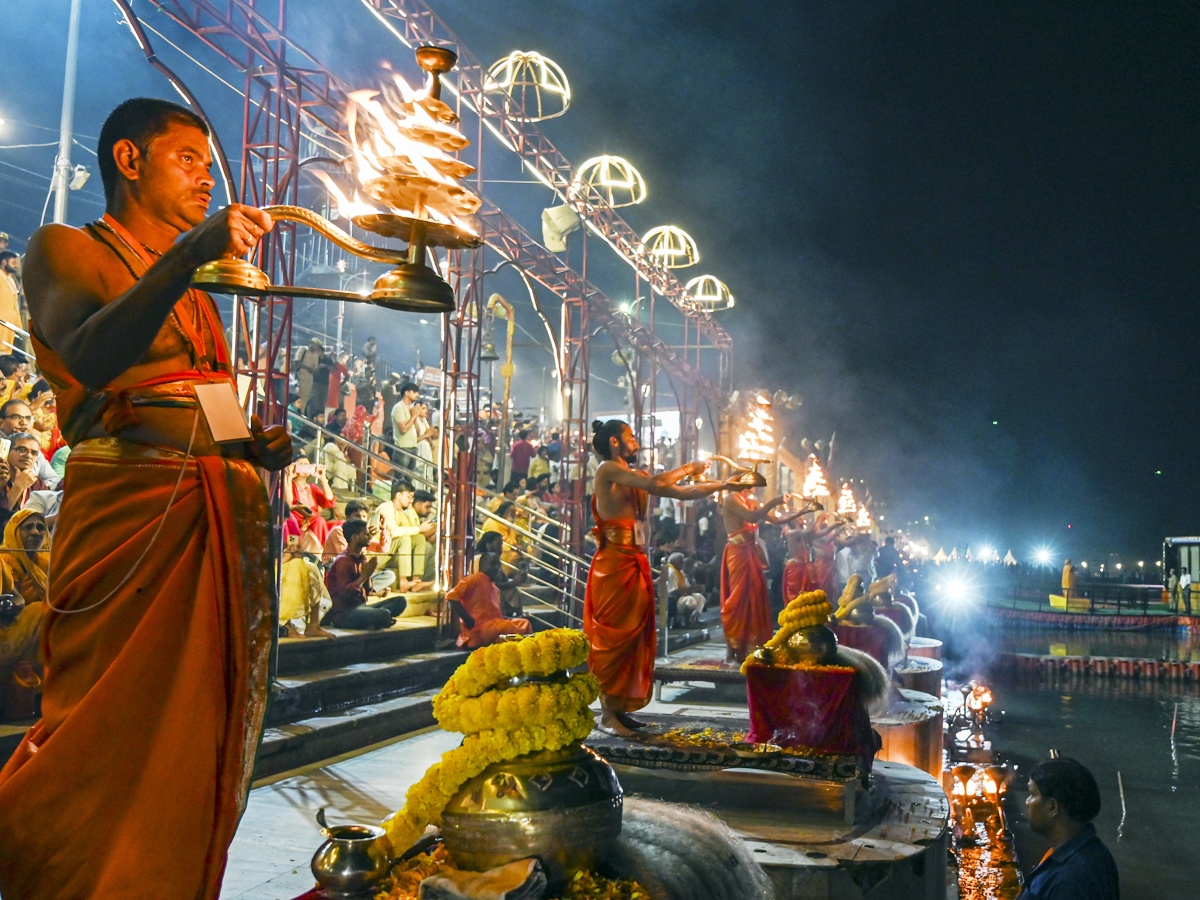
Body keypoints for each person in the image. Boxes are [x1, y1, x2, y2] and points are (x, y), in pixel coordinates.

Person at [0, 98, 291, 899]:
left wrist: (251, 446)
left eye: (209, 165)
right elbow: (91, 354)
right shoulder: (66, 248)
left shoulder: (193, 291)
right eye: (189, 159)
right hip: (127, 511)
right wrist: (189, 254)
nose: (207, 179)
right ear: (129, 161)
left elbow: (206, 397)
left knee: (188, 732)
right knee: (100, 724)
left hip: (206, 510)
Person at [585, 419, 734, 736]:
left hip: (635, 561)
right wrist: (690, 466)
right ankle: (608, 714)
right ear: (614, 442)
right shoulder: (607, 471)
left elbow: (680, 493)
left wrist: (722, 486)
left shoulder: (635, 476)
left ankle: (621, 710)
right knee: (616, 636)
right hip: (613, 564)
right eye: (630, 436)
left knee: (636, 638)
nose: (635, 441)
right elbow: (659, 483)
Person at [719, 485, 804, 664]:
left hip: (751, 553)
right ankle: (731, 652)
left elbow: (777, 520)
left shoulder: (752, 502)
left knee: (755, 596)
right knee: (737, 600)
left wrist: (801, 512)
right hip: (737, 552)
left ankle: (750, 647)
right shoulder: (732, 498)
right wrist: (774, 501)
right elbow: (751, 517)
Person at [1019, 757, 1120, 899]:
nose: (1027, 802)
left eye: (1032, 794)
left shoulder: (1068, 880)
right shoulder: (1093, 850)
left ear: (1052, 807)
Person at [324, 518, 407, 629]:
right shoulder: (343, 561)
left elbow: (367, 591)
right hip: (344, 614)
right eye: (366, 534)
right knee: (384, 614)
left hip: (361, 607)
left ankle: (373, 621)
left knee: (400, 602)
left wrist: (369, 574)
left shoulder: (361, 558)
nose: (370, 537)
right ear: (354, 537)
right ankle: (377, 620)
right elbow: (346, 594)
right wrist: (364, 575)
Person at [447, 551, 533, 649]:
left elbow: (499, 615)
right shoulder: (474, 578)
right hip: (479, 629)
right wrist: (467, 618)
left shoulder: (495, 588)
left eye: (498, 565)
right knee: (519, 625)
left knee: (523, 622)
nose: (496, 568)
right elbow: (451, 596)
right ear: (482, 565)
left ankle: (525, 651)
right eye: (493, 564)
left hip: (493, 628)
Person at [390, 381, 424, 472]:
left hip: (413, 447)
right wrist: (413, 416)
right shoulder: (399, 408)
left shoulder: (411, 408)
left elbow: (418, 432)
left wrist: (415, 415)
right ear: (407, 392)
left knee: (409, 480)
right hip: (403, 448)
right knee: (400, 479)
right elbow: (403, 429)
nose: (417, 395)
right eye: (415, 392)